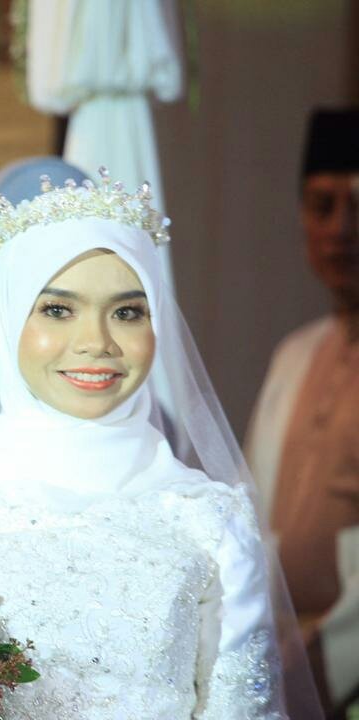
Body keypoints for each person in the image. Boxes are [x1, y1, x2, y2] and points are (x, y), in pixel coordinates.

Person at [0, 170, 323, 717]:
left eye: (127, 312)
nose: (97, 342)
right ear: (7, 318)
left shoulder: (212, 522)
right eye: (58, 310)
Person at [246, 107, 359, 715]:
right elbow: (248, 510)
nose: (342, 228)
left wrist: (314, 658)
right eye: (323, 206)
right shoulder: (296, 353)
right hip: (273, 654)